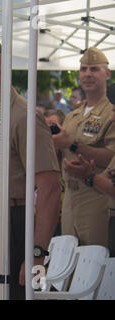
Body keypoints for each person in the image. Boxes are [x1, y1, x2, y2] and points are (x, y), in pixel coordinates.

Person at [0, 35, 61, 300]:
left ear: (4, 67)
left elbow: (50, 188)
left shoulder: (23, 115)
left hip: (11, 227)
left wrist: (37, 255)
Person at [52, 47, 115, 248]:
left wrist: (71, 144)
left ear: (107, 74)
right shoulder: (72, 116)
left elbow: (110, 157)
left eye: (94, 69)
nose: (87, 74)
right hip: (70, 200)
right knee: (70, 271)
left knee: (96, 267)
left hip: (97, 200)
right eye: (84, 69)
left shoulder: (111, 112)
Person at [63, 83, 115, 257]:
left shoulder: (104, 115)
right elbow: (107, 179)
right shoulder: (72, 116)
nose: (113, 117)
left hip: (99, 210)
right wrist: (89, 175)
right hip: (73, 199)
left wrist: (89, 176)